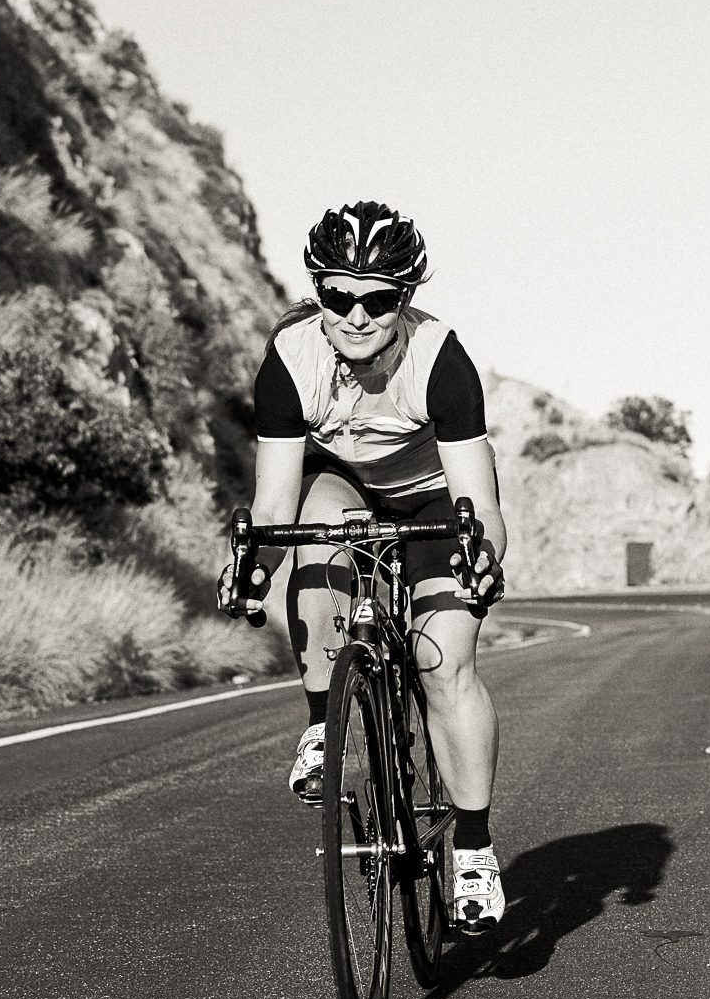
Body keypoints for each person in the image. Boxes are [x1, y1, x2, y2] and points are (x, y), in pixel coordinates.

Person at [217, 201, 511, 934]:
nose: (354, 315)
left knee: (446, 665)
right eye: (336, 295)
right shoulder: (292, 356)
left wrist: (481, 559)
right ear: (317, 290)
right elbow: (275, 499)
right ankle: (324, 721)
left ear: (404, 297)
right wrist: (253, 565)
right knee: (311, 534)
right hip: (340, 487)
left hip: (431, 499)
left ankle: (472, 849)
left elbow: (481, 502)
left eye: (377, 300)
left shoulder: (439, 359)